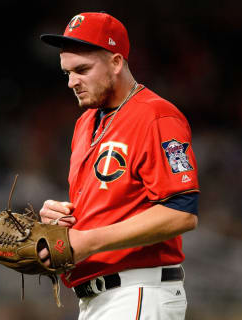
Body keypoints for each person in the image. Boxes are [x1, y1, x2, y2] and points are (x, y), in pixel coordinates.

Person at [38, 12, 200, 319]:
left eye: (82, 70)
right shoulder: (86, 123)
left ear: (115, 62)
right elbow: (109, 204)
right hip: (97, 299)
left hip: (137, 291)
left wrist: (88, 239)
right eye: (67, 73)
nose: (72, 82)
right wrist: (63, 218)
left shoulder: (156, 115)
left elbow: (182, 212)